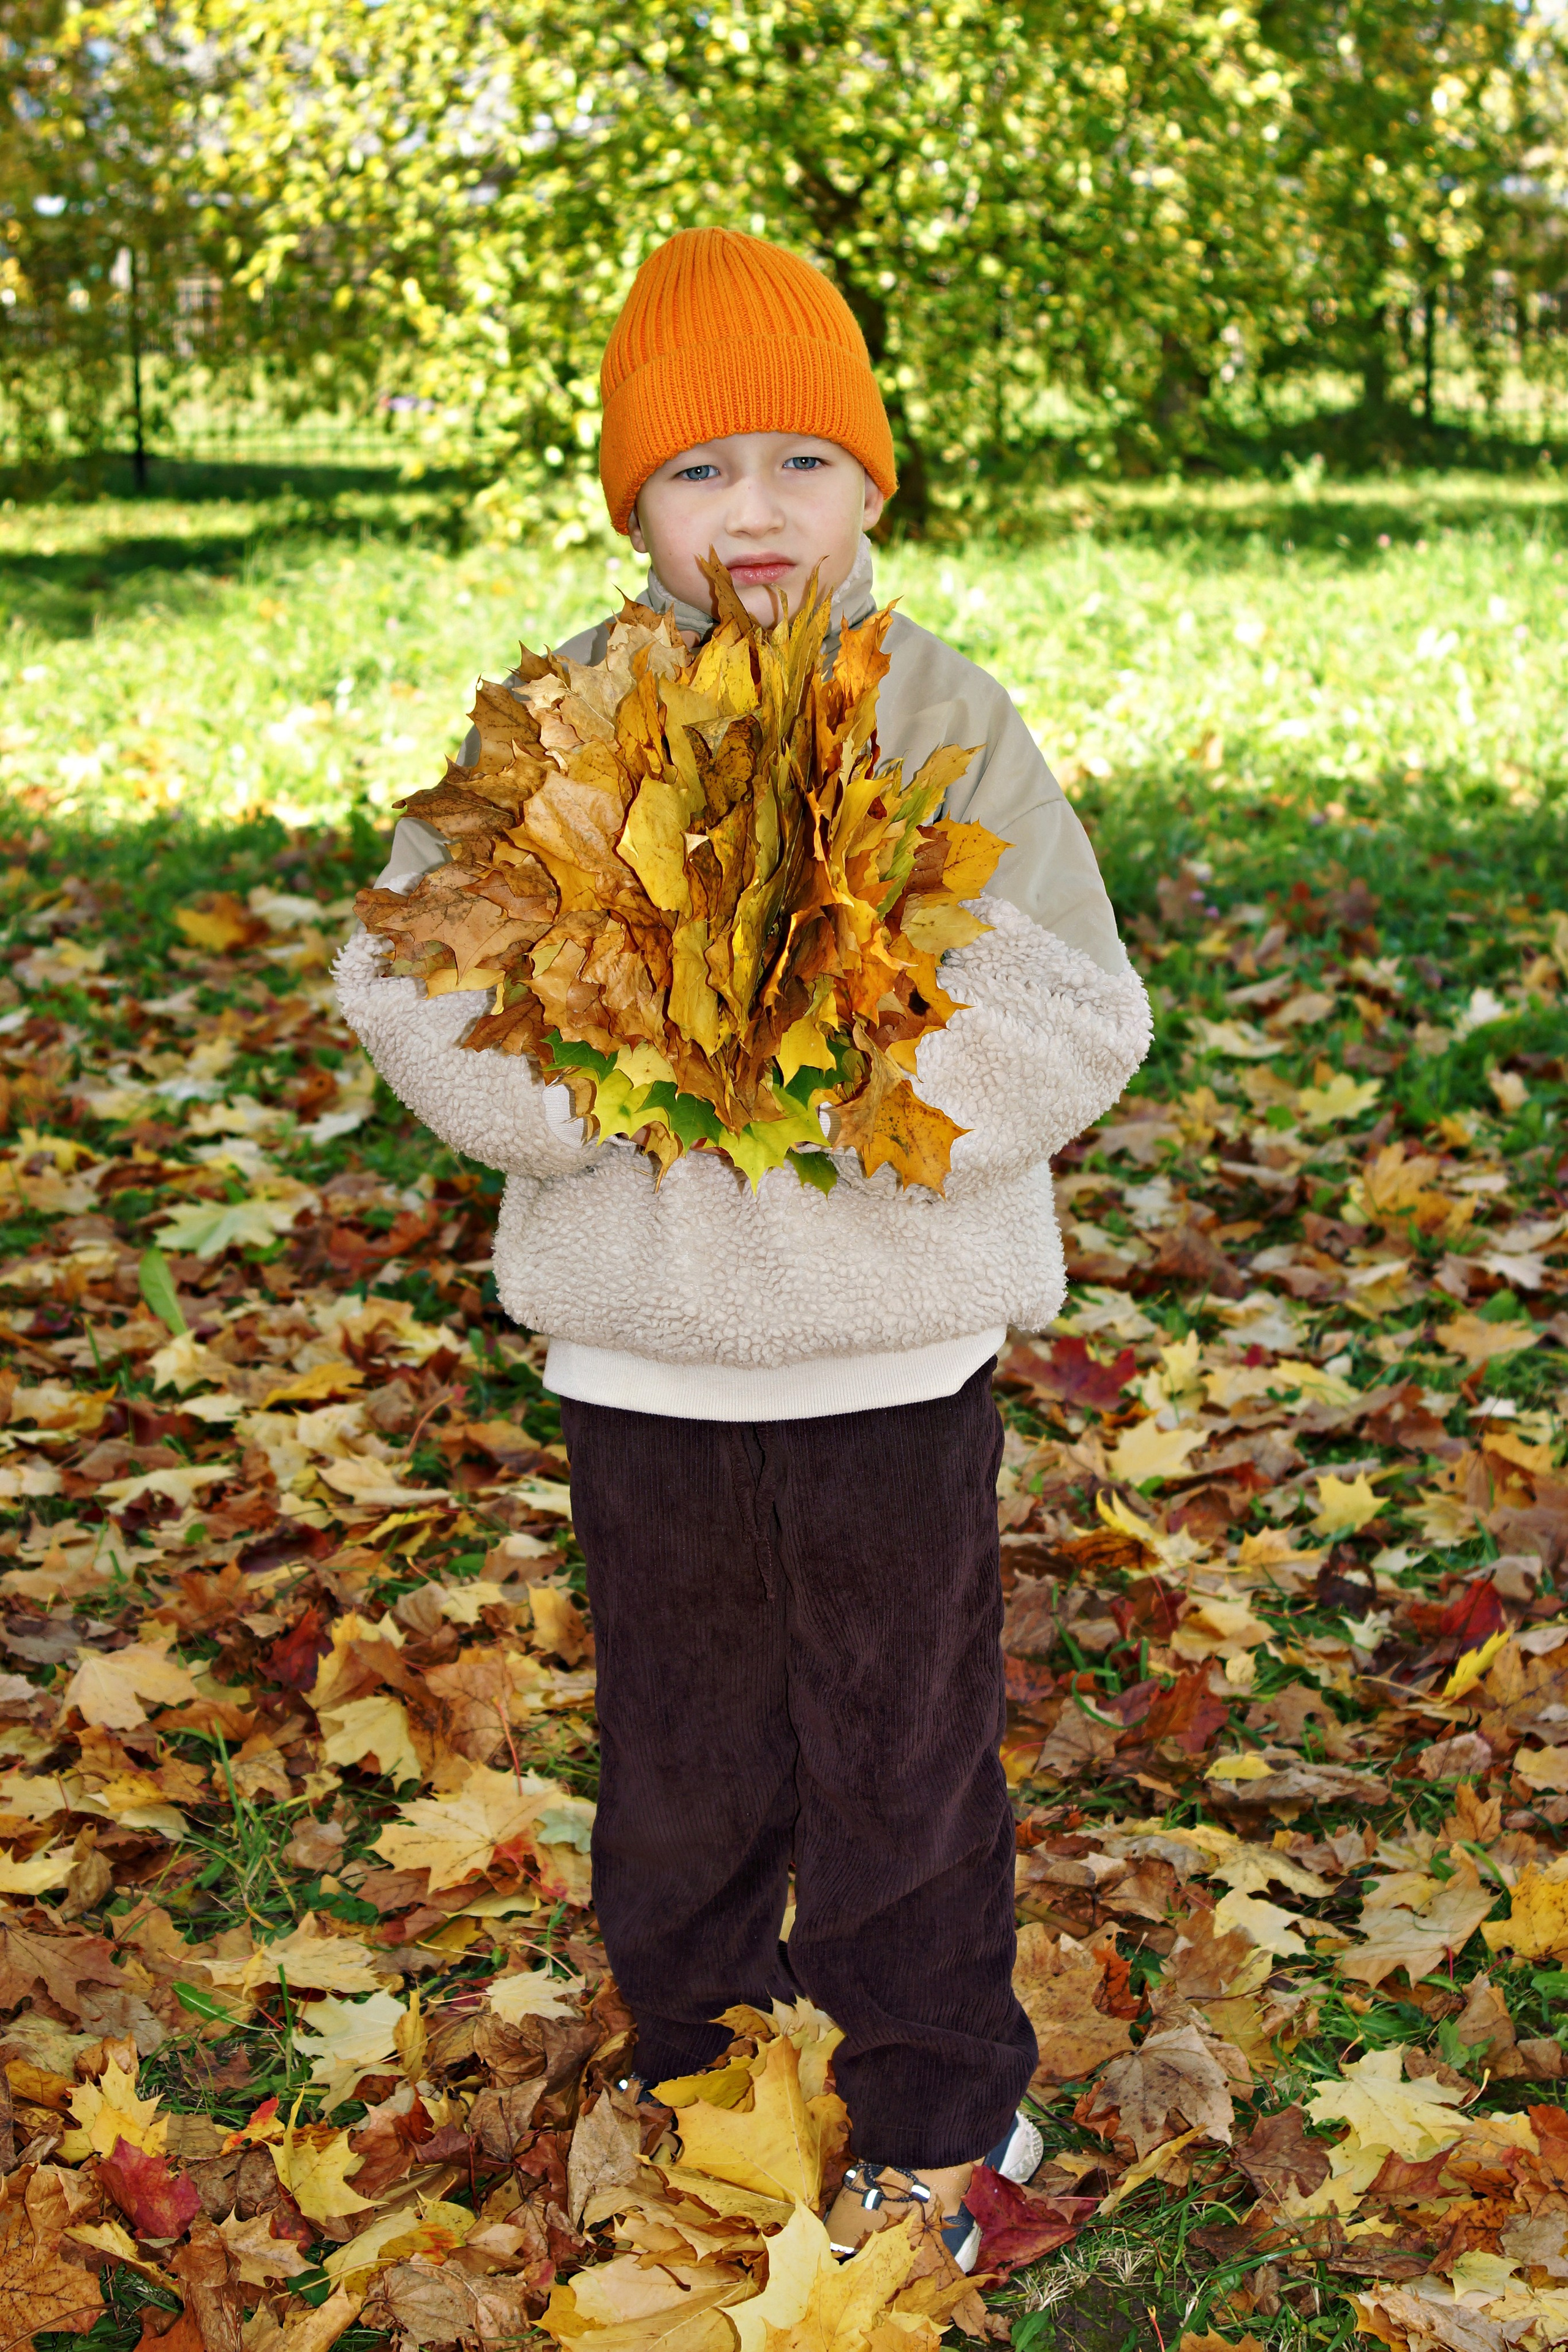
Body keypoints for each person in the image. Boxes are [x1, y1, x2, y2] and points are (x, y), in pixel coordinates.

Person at [337, 227, 1150, 2271]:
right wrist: (616, 1072)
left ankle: (940, 2104)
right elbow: (413, 986)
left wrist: (826, 1061)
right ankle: (703, 2074)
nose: (755, 511)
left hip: (890, 1354)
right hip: (648, 1359)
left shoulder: (947, 720)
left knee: (902, 1758)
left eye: (803, 458)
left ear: (875, 482)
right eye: (700, 471)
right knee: (685, 1772)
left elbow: (1075, 1018)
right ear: (635, 502)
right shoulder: (562, 725)